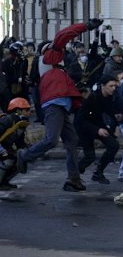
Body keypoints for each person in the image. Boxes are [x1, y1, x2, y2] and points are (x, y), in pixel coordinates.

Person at [16, 18, 104, 192]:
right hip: (54, 105)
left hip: (61, 106)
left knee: (72, 141)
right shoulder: (50, 56)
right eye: (60, 48)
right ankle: (24, 155)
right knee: (52, 140)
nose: (63, 49)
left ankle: (73, 179)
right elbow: (62, 35)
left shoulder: (56, 67)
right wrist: (86, 26)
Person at [76, 74, 121, 184]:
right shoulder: (91, 98)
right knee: (90, 157)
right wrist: (97, 130)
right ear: (103, 86)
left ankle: (98, 172)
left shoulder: (111, 98)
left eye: (115, 86)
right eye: (111, 86)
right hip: (85, 128)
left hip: (99, 126)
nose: (113, 88)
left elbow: (110, 111)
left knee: (113, 145)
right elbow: (80, 120)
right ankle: (75, 173)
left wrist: (116, 119)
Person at [0, 98, 31, 190]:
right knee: (8, 160)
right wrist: (2, 151)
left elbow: (20, 142)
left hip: (5, 146)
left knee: (19, 160)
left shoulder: (20, 123)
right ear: (18, 110)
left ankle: (4, 181)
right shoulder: (7, 120)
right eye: (26, 110)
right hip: (1, 147)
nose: (29, 112)